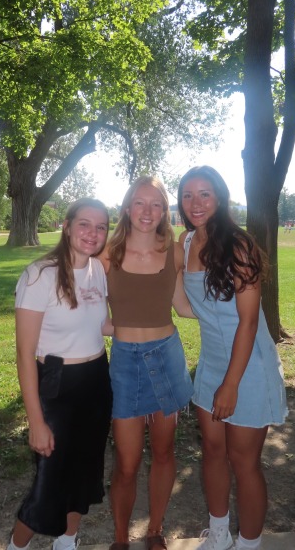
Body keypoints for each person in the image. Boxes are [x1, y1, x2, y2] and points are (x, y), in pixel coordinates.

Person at [177, 166, 288, 550]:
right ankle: (220, 534)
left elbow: (248, 321)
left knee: (244, 463)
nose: (196, 203)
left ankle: (248, 545)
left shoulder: (238, 245)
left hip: (247, 368)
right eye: (188, 195)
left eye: (204, 194)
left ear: (220, 199)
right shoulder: (186, 243)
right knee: (212, 451)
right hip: (211, 364)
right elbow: (188, 308)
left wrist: (230, 384)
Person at [7, 198, 113, 550]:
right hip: (57, 387)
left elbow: (101, 325)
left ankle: (68, 542)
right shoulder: (39, 275)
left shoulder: (97, 269)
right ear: (66, 226)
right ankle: (16, 547)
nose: (92, 233)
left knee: (85, 471)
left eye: (100, 227)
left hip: (97, 381)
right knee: (49, 482)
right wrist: (36, 421)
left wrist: (150, 324)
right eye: (84, 224)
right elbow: (24, 355)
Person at [99, 175, 195, 550]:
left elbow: (183, 305)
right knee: (126, 462)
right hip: (125, 364)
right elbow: (85, 300)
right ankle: (121, 538)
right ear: (126, 207)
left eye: (156, 204)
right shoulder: (108, 254)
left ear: (164, 210)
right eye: (140, 202)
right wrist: (107, 326)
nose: (148, 211)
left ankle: (155, 530)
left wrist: (226, 314)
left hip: (166, 356)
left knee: (165, 451)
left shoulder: (173, 252)